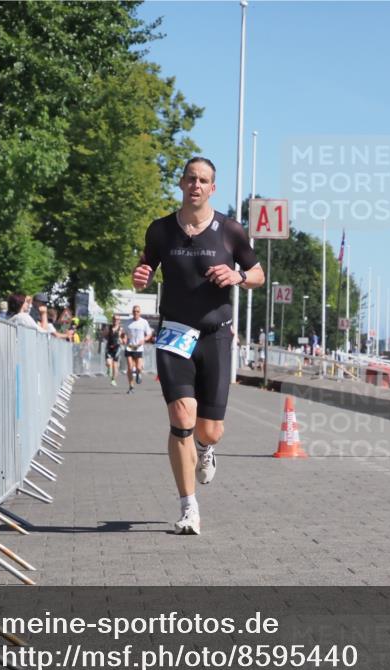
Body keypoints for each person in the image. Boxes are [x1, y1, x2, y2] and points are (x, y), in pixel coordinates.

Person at [132, 156, 264, 535]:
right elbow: (144, 268)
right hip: (174, 334)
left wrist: (237, 276)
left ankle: (206, 451)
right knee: (181, 417)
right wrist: (139, 276)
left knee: (210, 430)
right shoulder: (160, 230)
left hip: (216, 337)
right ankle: (188, 507)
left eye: (204, 180)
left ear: (213, 188)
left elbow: (258, 273)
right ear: (181, 182)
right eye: (191, 178)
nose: (196, 185)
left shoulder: (230, 231)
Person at [123, 305, 153, 393]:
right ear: (132, 312)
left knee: (139, 367)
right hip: (129, 347)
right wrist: (124, 338)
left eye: (137, 311)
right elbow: (123, 333)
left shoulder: (144, 322)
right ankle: (131, 387)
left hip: (139, 348)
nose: (136, 313)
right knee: (129, 367)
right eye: (134, 311)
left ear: (140, 313)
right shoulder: (128, 322)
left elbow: (149, 334)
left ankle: (138, 373)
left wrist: (144, 339)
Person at [104, 318, 122, 385]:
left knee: (115, 366)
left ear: (119, 321)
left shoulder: (120, 329)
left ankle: (113, 379)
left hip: (117, 348)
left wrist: (121, 340)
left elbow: (124, 338)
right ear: (112, 320)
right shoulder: (108, 327)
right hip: (109, 347)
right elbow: (104, 335)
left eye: (117, 319)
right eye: (114, 319)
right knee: (108, 363)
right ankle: (109, 369)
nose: (116, 320)